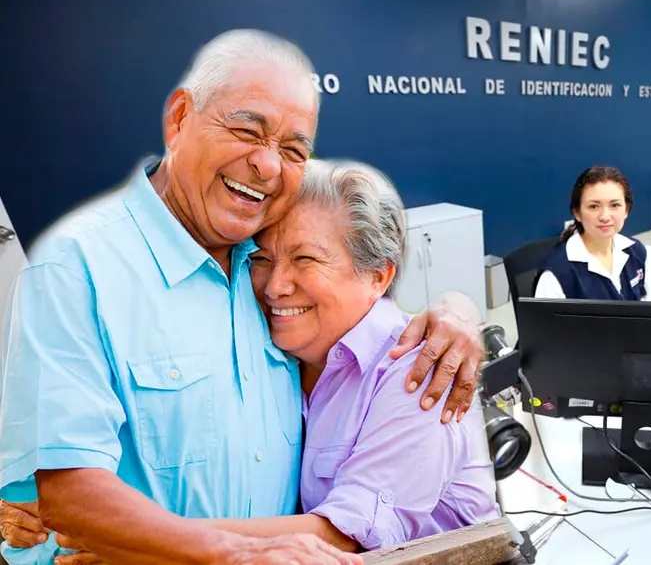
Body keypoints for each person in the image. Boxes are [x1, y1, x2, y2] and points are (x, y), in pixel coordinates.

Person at [0, 30, 484, 565]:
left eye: (294, 150)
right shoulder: (76, 268)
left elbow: (349, 519)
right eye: (245, 130)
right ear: (179, 118)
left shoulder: (258, 269)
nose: (269, 165)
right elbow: (65, 495)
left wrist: (457, 311)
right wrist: (204, 553)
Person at [534, 166, 651, 302]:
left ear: (627, 210)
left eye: (615, 205)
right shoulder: (557, 273)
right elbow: (544, 325)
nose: (605, 216)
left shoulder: (636, 251)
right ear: (577, 213)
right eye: (594, 206)